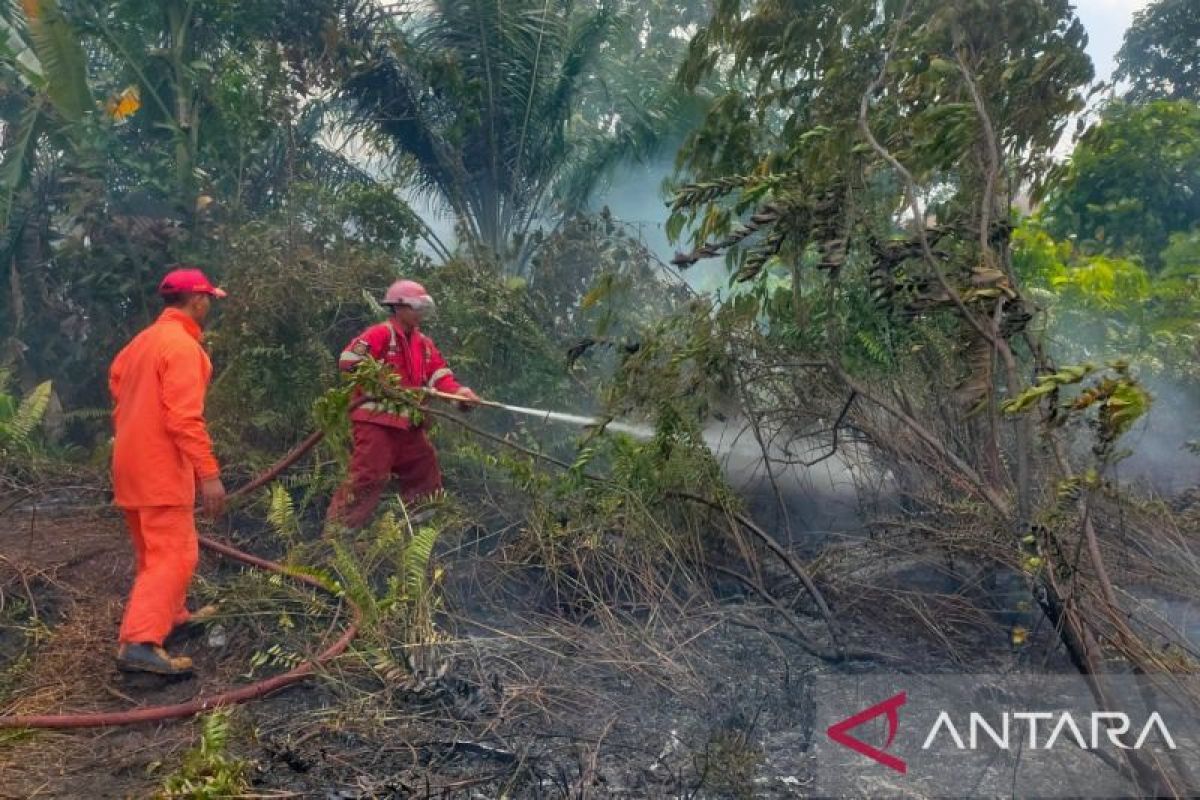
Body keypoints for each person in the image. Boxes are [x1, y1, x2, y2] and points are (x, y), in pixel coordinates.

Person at [108, 267, 227, 675]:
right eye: (208, 299)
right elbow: (183, 419)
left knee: (152, 552)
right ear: (197, 301)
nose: (209, 305)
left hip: (129, 463)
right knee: (175, 554)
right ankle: (140, 642)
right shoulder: (181, 347)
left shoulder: (142, 342)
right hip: (159, 468)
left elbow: (116, 382)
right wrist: (209, 474)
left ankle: (171, 616)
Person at [326, 279, 479, 531]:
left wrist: (460, 395)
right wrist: (380, 381)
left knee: (423, 466)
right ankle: (339, 534)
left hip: (408, 426)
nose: (420, 313)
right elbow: (348, 360)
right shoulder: (380, 334)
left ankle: (422, 529)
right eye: (415, 307)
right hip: (376, 423)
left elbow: (440, 377)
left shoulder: (423, 344)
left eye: (423, 308)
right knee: (369, 475)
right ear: (398, 307)